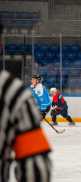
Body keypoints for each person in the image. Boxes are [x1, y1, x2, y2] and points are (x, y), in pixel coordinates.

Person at [0, 22, 52, 181]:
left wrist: (42, 110)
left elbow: (44, 100)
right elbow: (36, 171)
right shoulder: (12, 91)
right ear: (1, 46)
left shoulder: (35, 89)